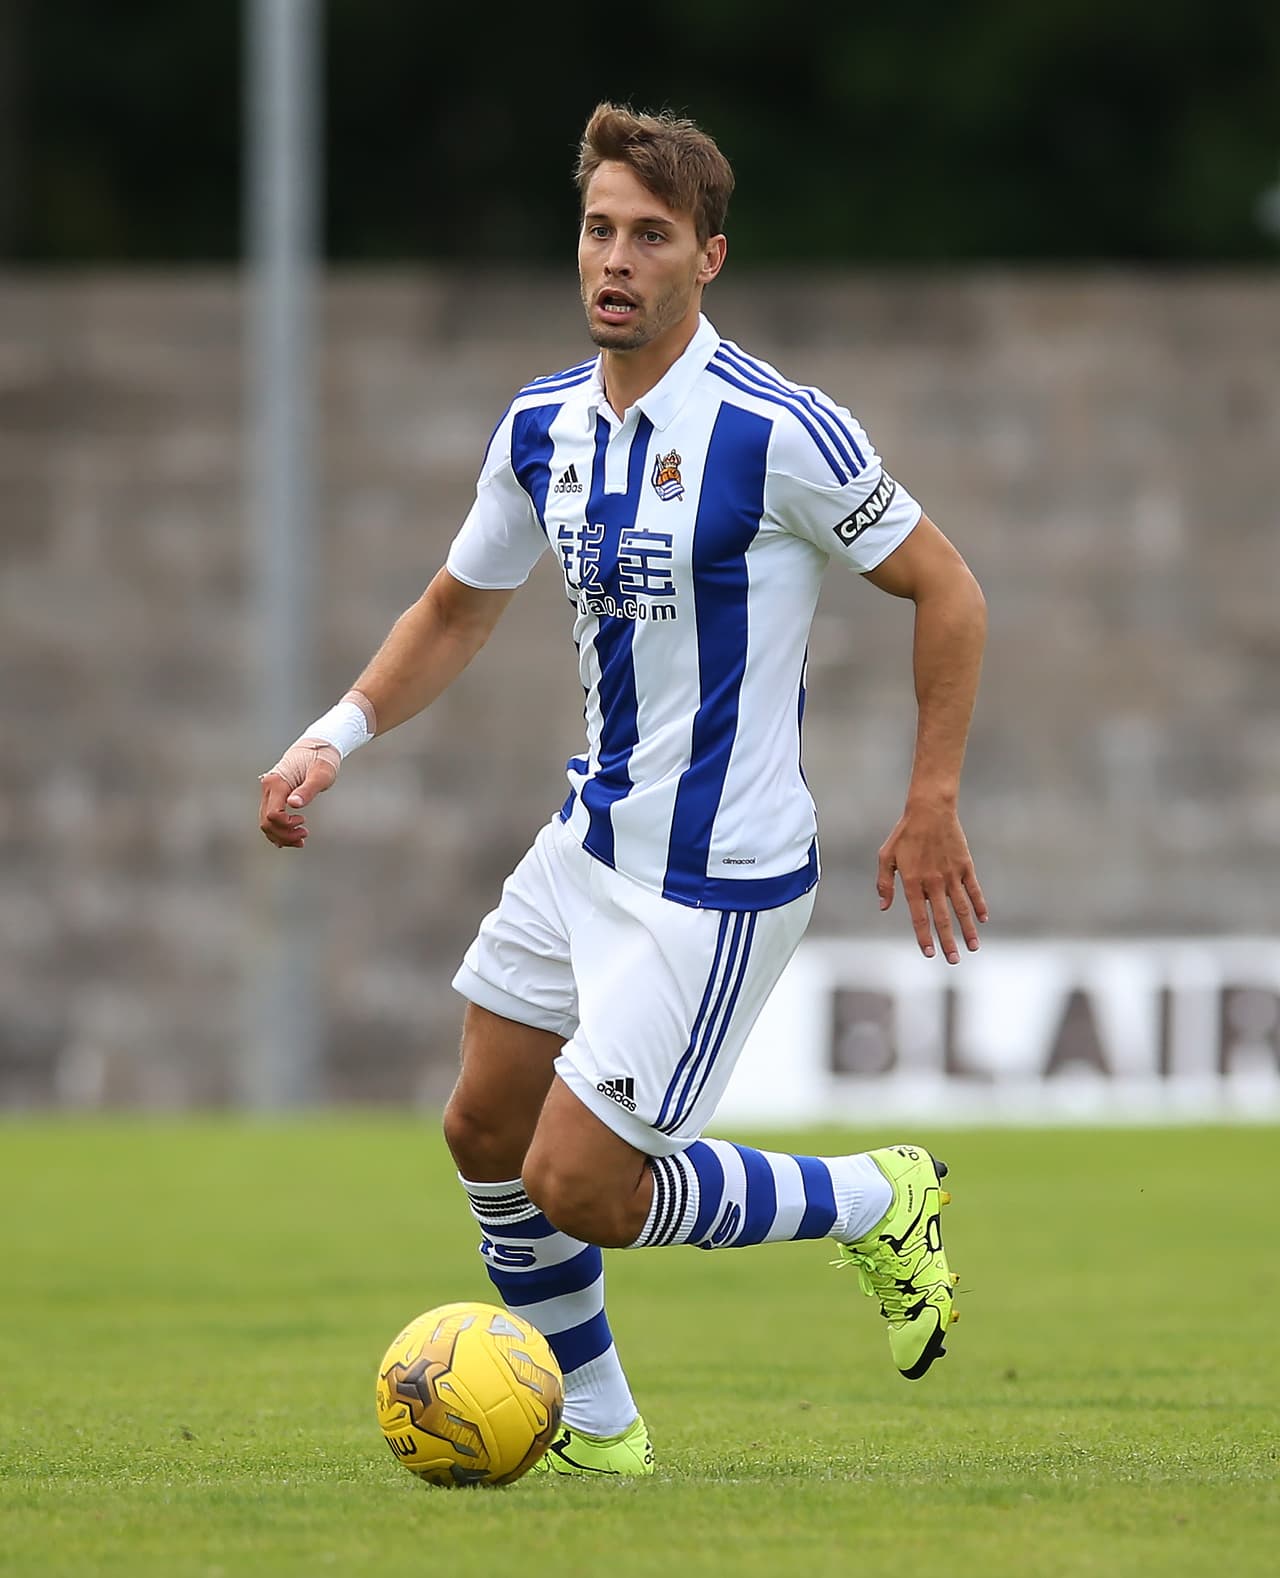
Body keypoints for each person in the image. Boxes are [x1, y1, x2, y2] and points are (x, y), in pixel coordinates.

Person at [259, 102, 988, 1477]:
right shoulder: (542, 425)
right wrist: (335, 735)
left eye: (651, 236)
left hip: (718, 883)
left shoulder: (779, 430)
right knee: (483, 1125)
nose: (615, 258)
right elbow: (455, 607)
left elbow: (948, 588)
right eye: (599, 229)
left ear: (708, 258)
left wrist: (932, 796)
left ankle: (872, 1198)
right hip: (588, 842)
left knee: (580, 1183)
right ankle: (599, 1430)